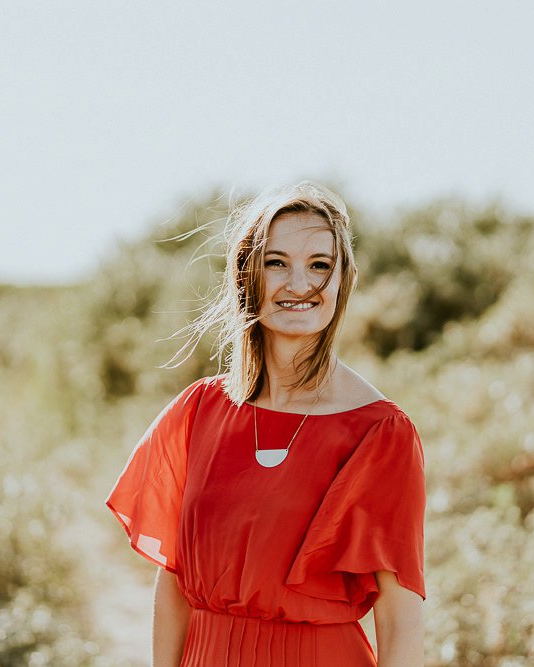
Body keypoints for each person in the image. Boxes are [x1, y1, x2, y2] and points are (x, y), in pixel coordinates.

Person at [105, 181, 426, 666]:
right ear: (246, 275)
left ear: (343, 281)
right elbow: (173, 583)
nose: (299, 283)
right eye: (277, 262)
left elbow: (400, 622)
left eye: (320, 265)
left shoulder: (379, 434)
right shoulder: (199, 412)